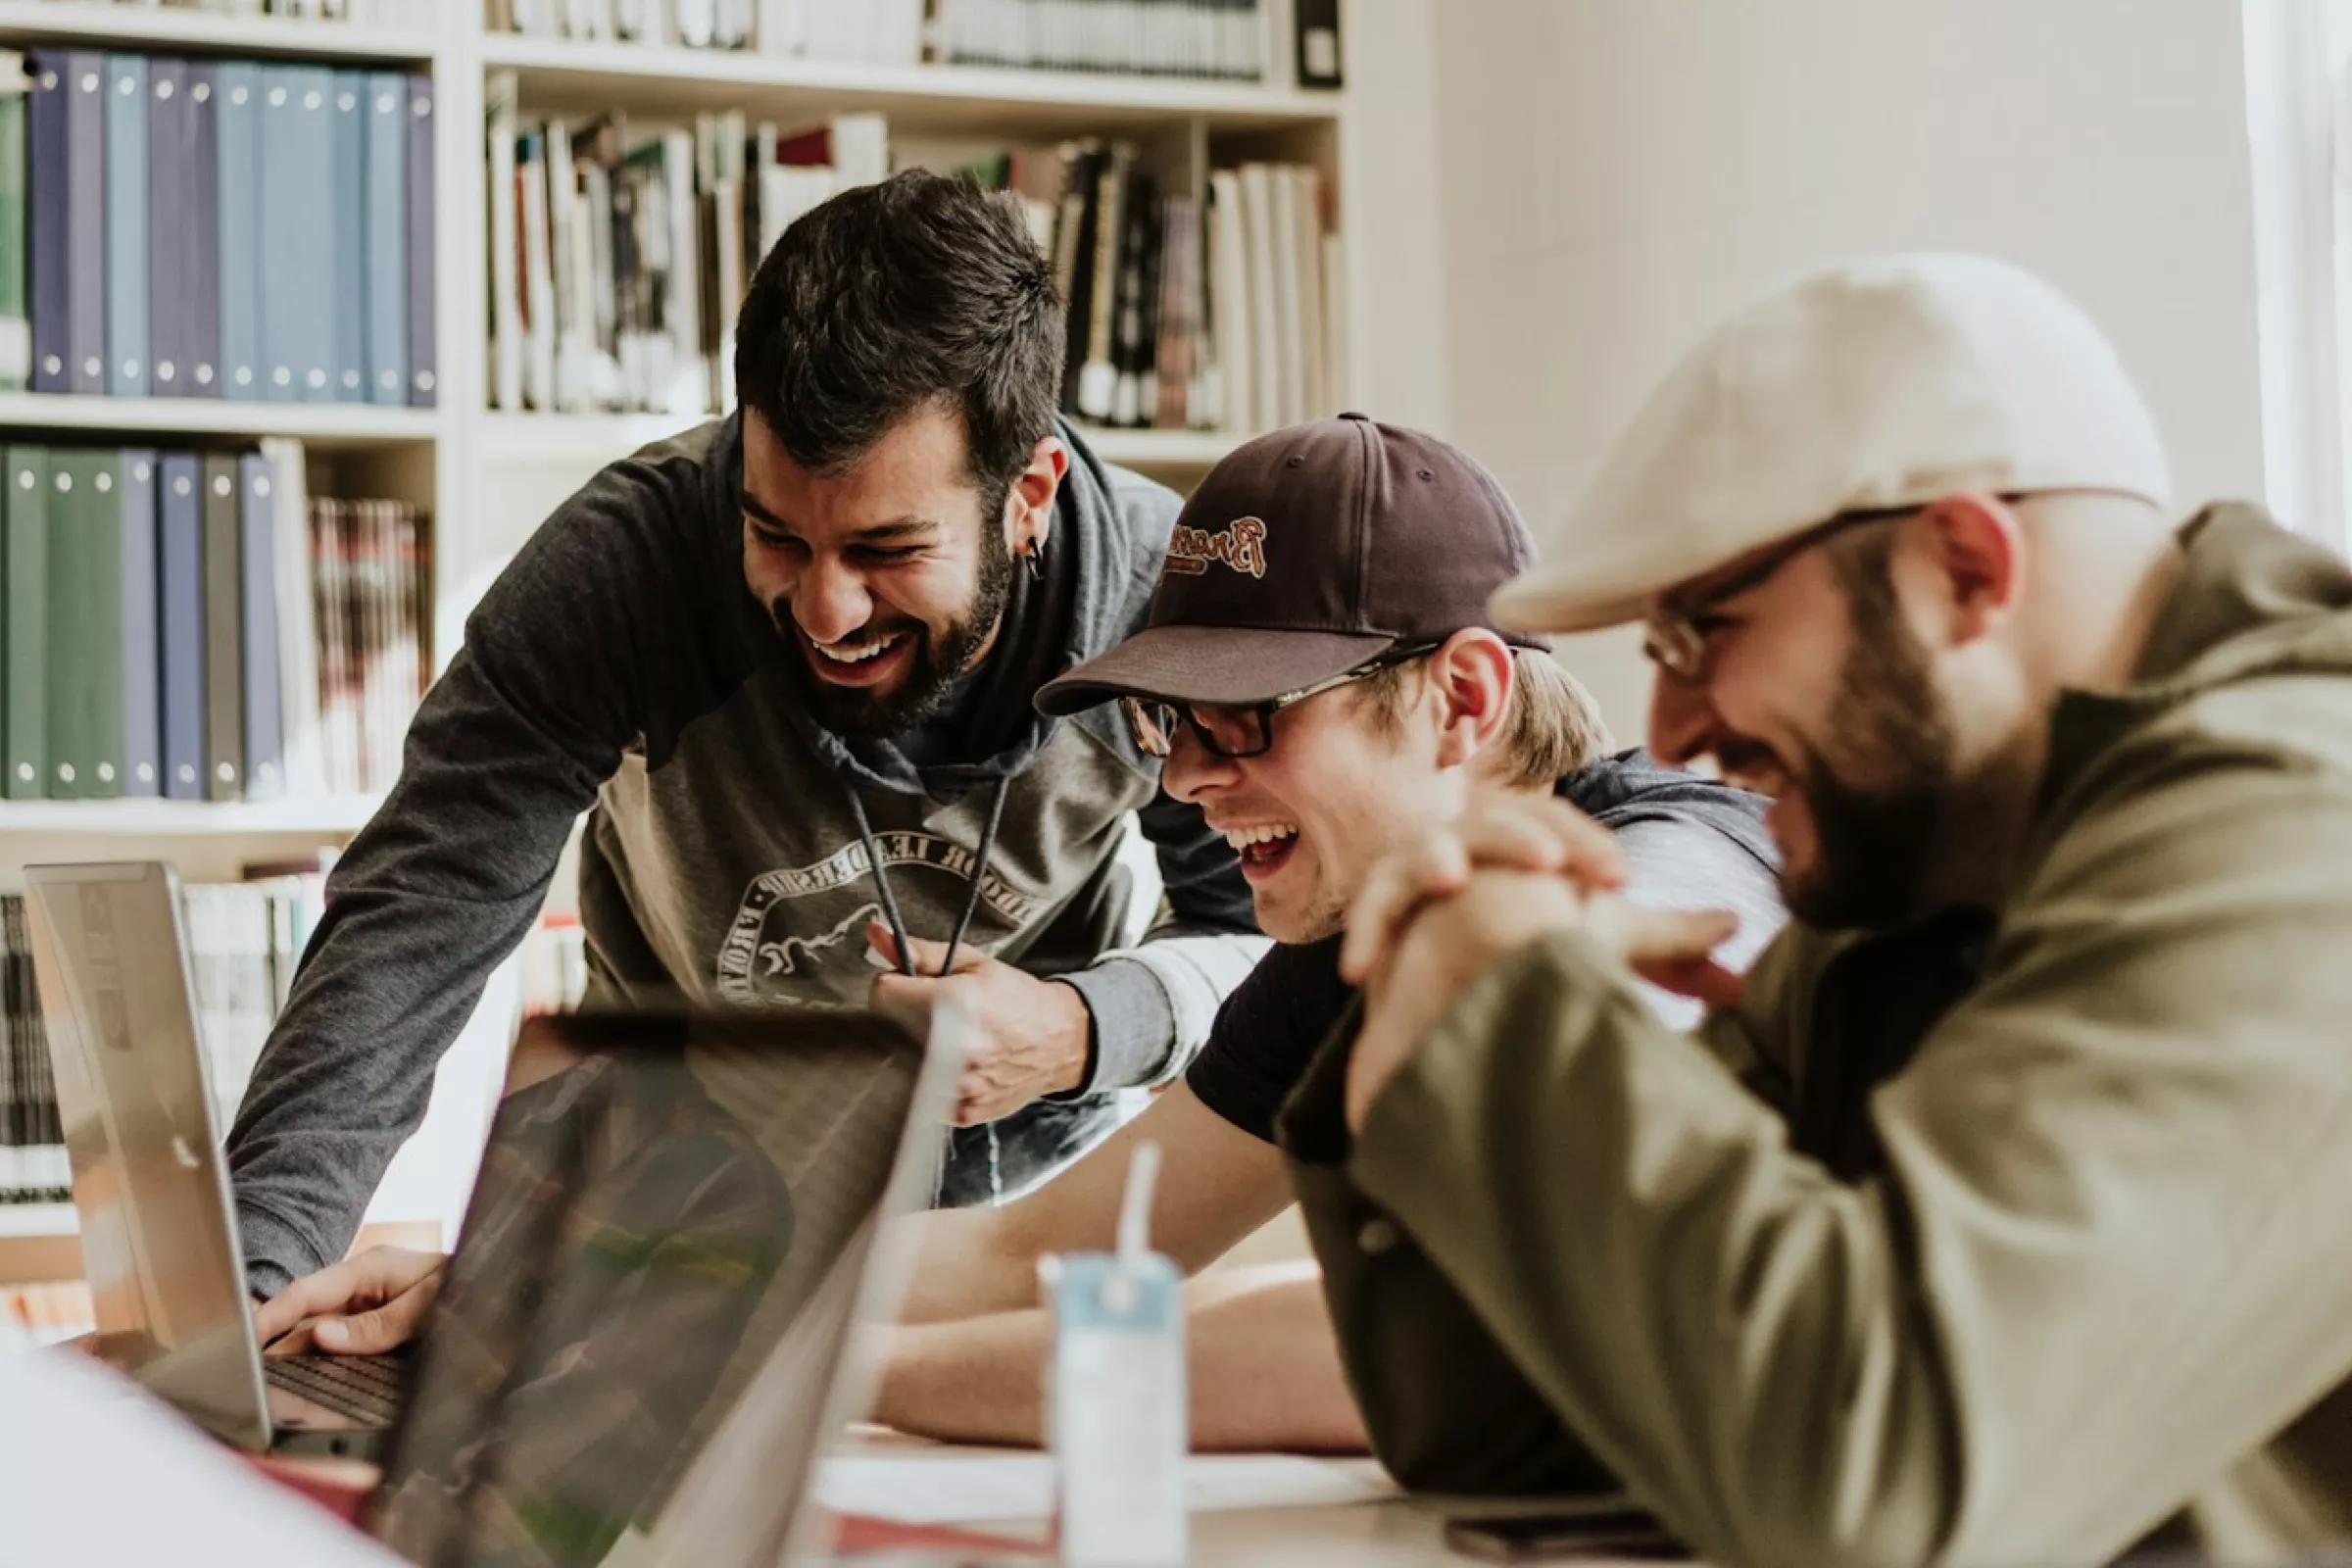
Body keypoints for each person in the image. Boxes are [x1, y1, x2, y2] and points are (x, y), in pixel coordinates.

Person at [1290, 254, 2352, 1565]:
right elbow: (1520, 1434)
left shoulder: (2301, 822)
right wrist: (1434, 988)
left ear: (1965, 567)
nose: (1671, 728)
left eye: (1702, 634)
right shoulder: (1926, 871)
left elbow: (1881, 1491)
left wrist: (1512, 1006)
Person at [226, 171, 1267, 1300]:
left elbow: (1262, 937)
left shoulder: (1162, 607)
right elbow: (412, 925)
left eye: (885, 551)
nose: (826, 611)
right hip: (671, 1213)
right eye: (777, 536)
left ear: (1029, 494)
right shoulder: (621, 569)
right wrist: (254, 1294)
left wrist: (1082, 1027)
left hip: (1022, 1235)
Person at [862, 415, 1784, 1450]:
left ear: (1463, 699)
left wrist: (842, 1377)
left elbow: (1431, 1334)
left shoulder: (1681, 873)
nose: (1183, 778)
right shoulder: (1349, 950)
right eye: (1172, 720)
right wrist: (714, 1295)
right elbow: (1046, 1251)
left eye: (1245, 712)